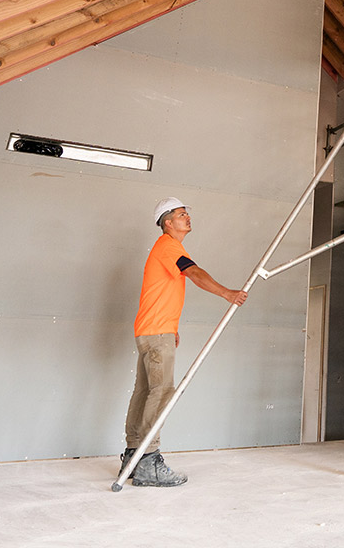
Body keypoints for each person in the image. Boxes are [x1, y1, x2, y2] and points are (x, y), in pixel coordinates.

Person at [120, 197, 248, 487]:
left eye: (187, 213)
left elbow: (164, 291)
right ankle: (149, 460)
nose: (187, 217)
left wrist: (171, 327)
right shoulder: (169, 246)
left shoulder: (165, 249)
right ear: (168, 222)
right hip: (156, 333)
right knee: (162, 392)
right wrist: (227, 293)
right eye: (181, 214)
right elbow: (193, 273)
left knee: (144, 392)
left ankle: (133, 456)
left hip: (150, 330)